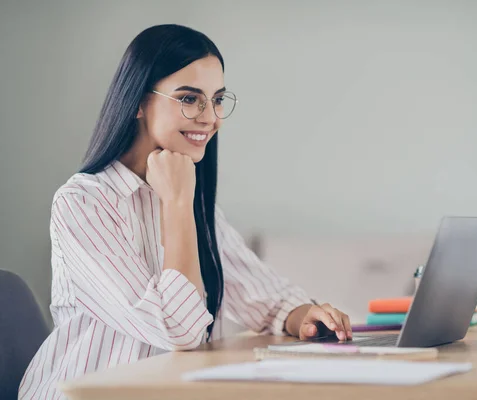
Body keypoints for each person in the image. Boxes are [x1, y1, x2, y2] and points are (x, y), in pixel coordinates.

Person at [18, 24, 352, 400]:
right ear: (139, 102)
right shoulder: (83, 204)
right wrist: (177, 205)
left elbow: (267, 298)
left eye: (218, 99)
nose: (211, 117)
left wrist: (303, 315)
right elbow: (178, 330)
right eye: (190, 99)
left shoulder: (193, 200)